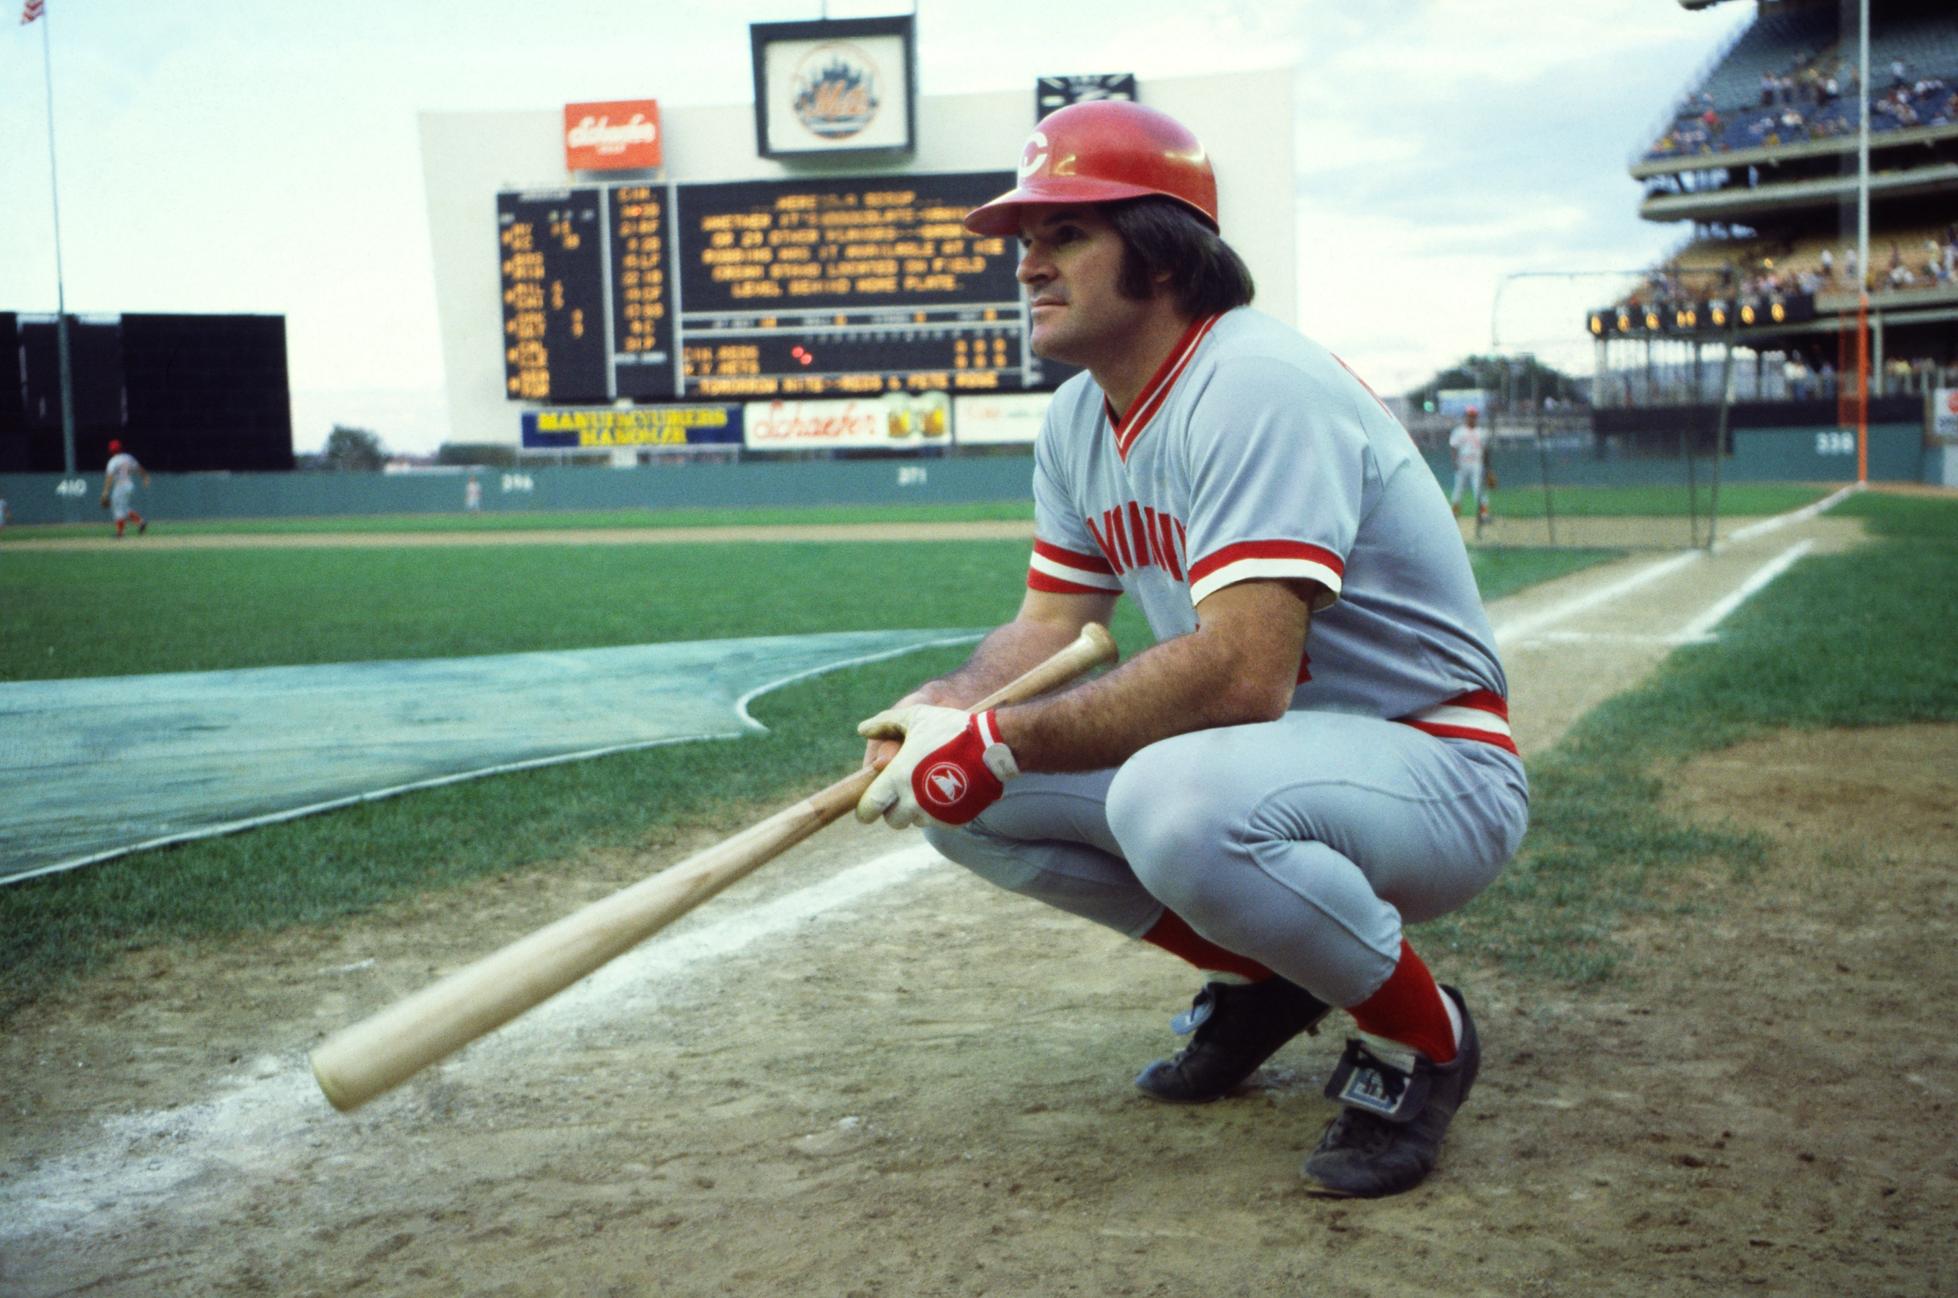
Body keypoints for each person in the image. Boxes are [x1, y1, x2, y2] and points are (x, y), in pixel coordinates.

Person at [852, 101, 1528, 1199]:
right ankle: (1270, 976)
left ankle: (1423, 1037)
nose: (1027, 264)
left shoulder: (1251, 380)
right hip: (1278, 756)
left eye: (1063, 234)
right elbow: (1046, 626)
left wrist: (1004, 738)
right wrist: (942, 705)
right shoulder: (1080, 418)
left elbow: (1241, 671)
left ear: (1162, 252)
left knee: (1170, 796)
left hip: (1431, 766)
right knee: (957, 800)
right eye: (1024, 241)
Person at [1448, 405, 1491, 524]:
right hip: (1462, 463)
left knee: (1478, 489)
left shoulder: (1482, 432)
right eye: (1469, 416)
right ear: (1465, 417)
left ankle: (1484, 514)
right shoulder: (1459, 431)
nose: (1472, 418)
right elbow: (1453, 447)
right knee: (1458, 489)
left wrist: (1488, 468)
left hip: (1477, 464)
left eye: (1474, 416)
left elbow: (1486, 450)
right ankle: (1455, 513)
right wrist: (1454, 462)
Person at [100, 439, 150, 537]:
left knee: (118, 509)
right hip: (129, 485)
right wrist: (145, 477)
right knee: (124, 509)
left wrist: (105, 492)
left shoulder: (113, 461)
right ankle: (141, 522)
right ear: (120, 448)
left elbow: (109, 478)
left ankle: (120, 533)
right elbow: (139, 468)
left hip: (120, 486)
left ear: (110, 450)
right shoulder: (128, 457)